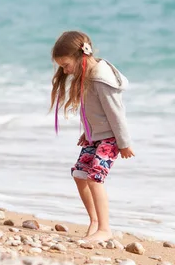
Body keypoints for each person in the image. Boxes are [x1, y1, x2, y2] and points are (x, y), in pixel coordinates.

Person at [50, 30, 135, 242]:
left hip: (111, 139)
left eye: (66, 65)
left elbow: (116, 114)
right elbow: (94, 112)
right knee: (79, 174)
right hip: (94, 136)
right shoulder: (85, 75)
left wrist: (124, 143)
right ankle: (95, 221)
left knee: (95, 178)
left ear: (81, 56)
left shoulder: (101, 80)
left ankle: (105, 229)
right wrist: (86, 132)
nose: (66, 71)